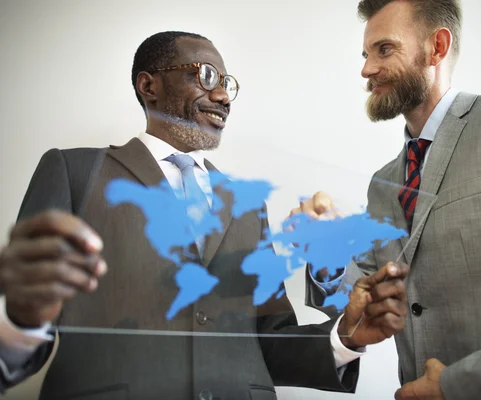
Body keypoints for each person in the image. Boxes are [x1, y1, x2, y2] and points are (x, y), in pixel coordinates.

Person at [0, 31, 409, 400]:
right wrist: (19, 320)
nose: (223, 97)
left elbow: (269, 341)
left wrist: (345, 337)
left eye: (228, 85)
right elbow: (28, 309)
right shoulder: (74, 172)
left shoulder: (248, 204)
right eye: (207, 77)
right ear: (149, 85)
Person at [296, 1, 481, 399]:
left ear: (437, 47)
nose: (367, 69)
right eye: (366, 54)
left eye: (384, 49)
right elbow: (357, 306)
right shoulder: (383, 184)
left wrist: (461, 385)